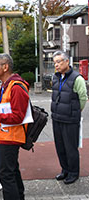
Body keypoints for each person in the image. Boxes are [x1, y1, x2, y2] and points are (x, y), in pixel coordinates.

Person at [0, 53, 29, 200]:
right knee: (12, 171)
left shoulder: (16, 87)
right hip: (5, 135)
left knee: (6, 175)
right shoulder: (5, 86)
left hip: (12, 137)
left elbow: (18, 116)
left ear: (5, 67)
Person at [51, 51, 88, 184]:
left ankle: (73, 173)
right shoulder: (55, 77)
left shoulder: (77, 78)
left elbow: (83, 98)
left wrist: (75, 111)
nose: (57, 65)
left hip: (70, 119)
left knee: (70, 148)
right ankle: (65, 170)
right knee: (60, 147)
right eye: (55, 62)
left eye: (59, 61)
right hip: (56, 118)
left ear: (67, 62)